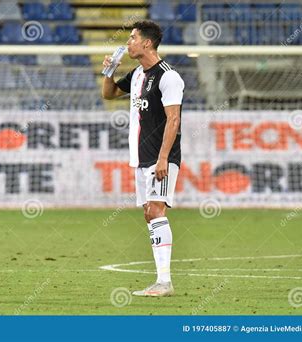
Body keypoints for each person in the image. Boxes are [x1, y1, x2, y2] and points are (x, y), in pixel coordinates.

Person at [102, 21, 184, 297]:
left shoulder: (168, 77)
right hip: (141, 158)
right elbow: (109, 93)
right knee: (150, 213)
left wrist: (163, 159)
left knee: (156, 211)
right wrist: (109, 70)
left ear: (147, 43)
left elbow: (174, 119)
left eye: (133, 38)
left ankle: (164, 282)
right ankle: (161, 281)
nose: (129, 43)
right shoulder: (138, 74)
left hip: (162, 157)